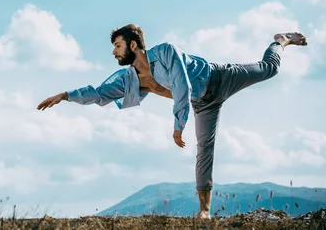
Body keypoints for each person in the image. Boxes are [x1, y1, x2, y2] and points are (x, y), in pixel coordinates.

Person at [37, 24, 307, 219]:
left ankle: (281, 40)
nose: (113, 53)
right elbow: (98, 92)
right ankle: (204, 211)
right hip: (203, 104)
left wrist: (178, 125)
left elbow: (181, 84)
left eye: (117, 46)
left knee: (270, 69)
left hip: (220, 78)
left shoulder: (166, 52)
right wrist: (66, 95)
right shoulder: (129, 79)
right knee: (205, 148)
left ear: (133, 45)